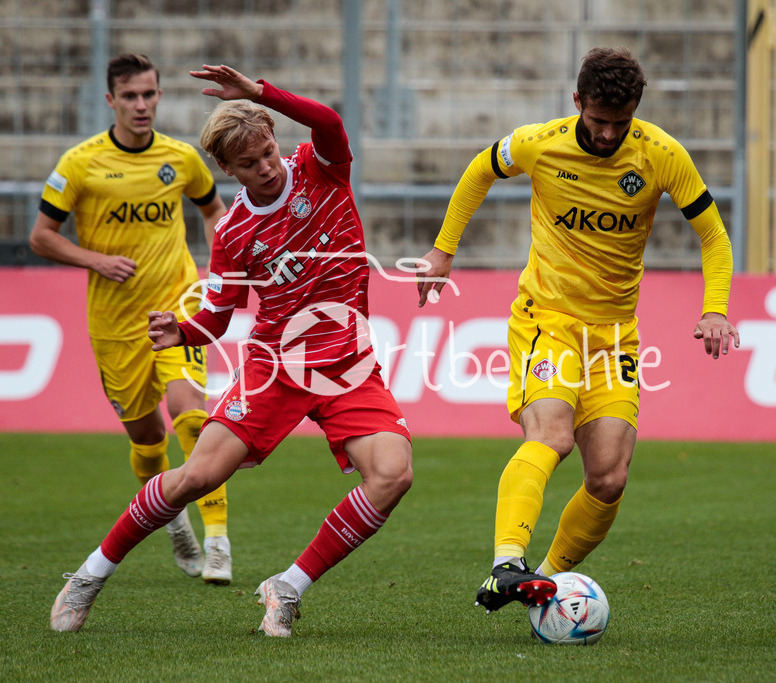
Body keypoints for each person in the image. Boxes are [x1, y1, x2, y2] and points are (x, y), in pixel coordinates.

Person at [49, 64, 413, 637]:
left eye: (268, 152)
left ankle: (287, 586)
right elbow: (218, 311)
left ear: (276, 142)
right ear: (228, 170)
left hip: (347, 363)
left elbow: (331, 121)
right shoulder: (235, 231)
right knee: (196, 476)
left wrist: (260, 93)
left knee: (393, 475)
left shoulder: (322, 170)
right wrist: (184, 332)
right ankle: (90, 575)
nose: (265, 168)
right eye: (249, 163)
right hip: (274, 368)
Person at [416, 47, 740, 613]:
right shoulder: (541, 143)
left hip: (615, 335)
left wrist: (716, 308)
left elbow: (713, 236)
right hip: (549, 319)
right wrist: (444, 252)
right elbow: (479, 171)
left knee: (610, 478)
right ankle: (505, 564)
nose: (610, 134)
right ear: (577, 104)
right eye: (599, 121)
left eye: (622, 122)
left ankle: (542, 583)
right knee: (552, 437)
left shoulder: (662, 154)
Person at [30, 53, 233, 584]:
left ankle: (218, 540)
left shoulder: (182, 158)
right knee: (147, 441)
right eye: (130, 96)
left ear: (159, 95)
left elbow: (213, 210)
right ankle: (175, 524)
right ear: (111, 100)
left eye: (149, 94)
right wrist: (95, 260)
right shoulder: (80, 163)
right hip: (116, 323)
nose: (141, 105)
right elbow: (41, 236)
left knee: (191, 415)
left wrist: (219, 268)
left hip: (179, 305)